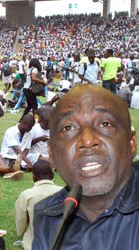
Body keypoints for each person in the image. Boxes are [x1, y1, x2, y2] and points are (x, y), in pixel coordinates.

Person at [32, 85, 139, 249]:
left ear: (131, 143)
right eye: (68, 128)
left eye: (105, 124)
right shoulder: (47, 219)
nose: (87, 141)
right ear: (52, 155)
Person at [14, 160, 62, 250]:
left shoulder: (26, 195)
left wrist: (23, 232)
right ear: (52, 175)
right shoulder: (65, 192)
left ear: (34, 177)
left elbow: (20, 223)